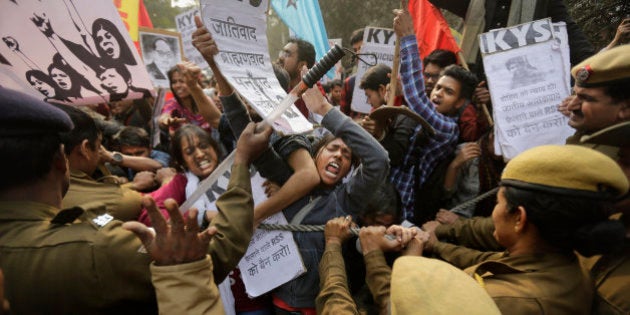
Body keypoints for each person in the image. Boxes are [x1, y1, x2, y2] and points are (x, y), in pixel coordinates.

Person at [0, 86, 270, 313]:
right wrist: (241, 161)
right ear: (61, 161)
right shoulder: (97, 249)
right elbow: (217, 254)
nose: (199, 154)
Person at [422, 144, 628, 314]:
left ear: (519, 218)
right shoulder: (564, 263)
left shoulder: (498, 301)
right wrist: (436, 246)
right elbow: (492, 261)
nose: (493, 214)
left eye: (498, 203)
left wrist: (408, 260)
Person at [564, 44, 630, 145]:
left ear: (626, 109)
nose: (570, 106)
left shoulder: (618, 156)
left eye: (586, 98)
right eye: (575, 94)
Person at [357, 63, 419, 167]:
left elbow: (395, 155)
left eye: (369, 96)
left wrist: (380, 134)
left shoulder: (405, 114)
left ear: (382, 90)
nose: (368, 101)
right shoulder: (377, 114)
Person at [158, 62, 221, 137]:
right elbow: (164, 116)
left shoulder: (206, 101)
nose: (177, 85)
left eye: (182, 81)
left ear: (194, 82)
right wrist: (165, 121)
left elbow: (219, 123)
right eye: (174, 82)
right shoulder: (172, 103)